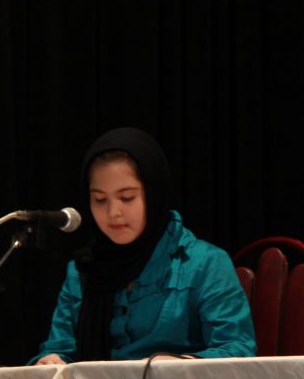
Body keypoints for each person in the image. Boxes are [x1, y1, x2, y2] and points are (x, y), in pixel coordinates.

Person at [31, 127, 256, 364]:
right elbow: (58, 349)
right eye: (99, 199)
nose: (113, 212)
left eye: (126, 197)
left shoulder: (204, 263)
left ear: (154, 193)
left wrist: (184, 363)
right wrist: (49, 361)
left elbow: (238, 349)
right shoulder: (83, 270)